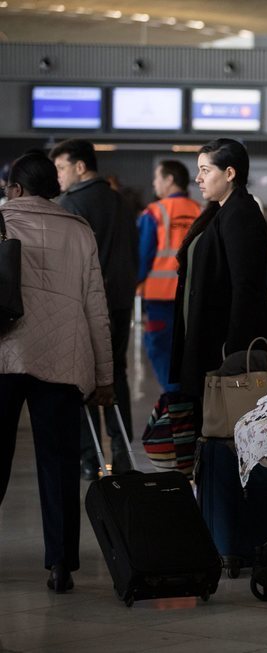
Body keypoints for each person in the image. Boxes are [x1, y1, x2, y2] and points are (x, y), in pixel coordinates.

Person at [0, 151, 114, 593]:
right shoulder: (79, 230)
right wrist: (105, 376)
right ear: (55, 187)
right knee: (60, 462)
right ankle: (60, 565)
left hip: (6, 353)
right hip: (64, 359)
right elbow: (96, 308)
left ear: (15, 187)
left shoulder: (3, 219)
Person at [170, 139, 267, 400]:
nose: (198, 178)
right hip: (208, 334)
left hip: (223, 344)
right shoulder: (219, 212)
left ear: (229, 173)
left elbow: (246, 287)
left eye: (205, 170)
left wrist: (233, 352)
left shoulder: (241, 213)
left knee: (222, 420)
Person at [50, 139, 137, 479]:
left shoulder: (70, 204)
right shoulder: (122, 202)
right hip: (120, 302)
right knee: (117, 374)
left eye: (61, 167)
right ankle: (122, 451)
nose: (58, 176)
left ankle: (89, 457)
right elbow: (134, 254)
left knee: (82, 379)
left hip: (85, 306)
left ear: (80, 167)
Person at [136, 161, 202, 392]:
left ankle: (175, 405)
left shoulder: (154, 212)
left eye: (157, 177)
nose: (154, 183)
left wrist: (135, 284)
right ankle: (192, 404)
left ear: (169, 180)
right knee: (191, 352)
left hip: (159, 297)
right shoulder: (200, 211)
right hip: (194, 297)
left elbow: (142, 256)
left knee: (162, 351)